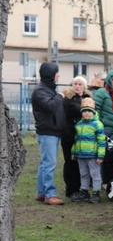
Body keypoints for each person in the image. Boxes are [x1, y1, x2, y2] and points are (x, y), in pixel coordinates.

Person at [32, 62, 67, 205]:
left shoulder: (48, 89)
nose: (58, 75)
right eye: (56, 72)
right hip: (47, 132)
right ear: (50, 75)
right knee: (49, 164)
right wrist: (59, 96)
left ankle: (41, 192)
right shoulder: (40, 91)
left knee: (44, 163)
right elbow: (50, 106)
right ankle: (49, 194)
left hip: (52, 131)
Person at [70, 98, 106, 204]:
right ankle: (84, 191)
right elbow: (76, 140)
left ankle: (96, 192)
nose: (86, 113)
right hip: (81, 155)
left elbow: (102, 141)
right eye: (84, 111)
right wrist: (74, 152)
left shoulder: (97, 124)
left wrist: (100, 155)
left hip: (92, 155)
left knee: (95, 174)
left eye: (89, 111)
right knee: (83, 174)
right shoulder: (79, 125)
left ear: (93, 112)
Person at [94, 69, 113, 187]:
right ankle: (105, 181)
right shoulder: (101, 93)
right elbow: (96, 110)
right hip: (105, 130)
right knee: (106, 157)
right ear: (109, 80)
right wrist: (100, 125)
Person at [61, 76, 92, 198]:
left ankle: (81, 188)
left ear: (84, 87)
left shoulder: (87, 99)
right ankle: (71, 189)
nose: (77, 86)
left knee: (82, 162)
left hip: (84, 135)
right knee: (70, 162)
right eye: (75, 84)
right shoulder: (67, 100)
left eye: (80, 84)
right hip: (69, 134)